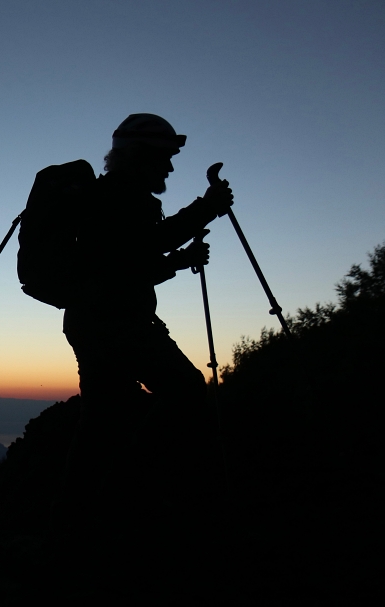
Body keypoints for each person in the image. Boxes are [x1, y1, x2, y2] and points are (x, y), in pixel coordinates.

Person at [61, 114, 234, 531]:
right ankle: (133, 494)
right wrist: (206, 209)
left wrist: (177, 260)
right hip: (119, 324)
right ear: (141, 156)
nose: (170, 168)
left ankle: (78, 522)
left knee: (102, 424)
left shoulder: (111, 196)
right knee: (188, 394)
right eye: (165, 158)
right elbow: (141, 250)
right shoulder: (122, 195)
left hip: (93, 321)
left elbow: (125, 265)